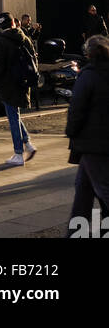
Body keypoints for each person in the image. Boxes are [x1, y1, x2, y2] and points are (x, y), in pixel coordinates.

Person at [65, 34, 109, 233]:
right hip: (98, 143)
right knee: (83, 192)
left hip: (92, 142)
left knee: (103, 190)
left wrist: (71, 131)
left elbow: (77, 109)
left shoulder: (89, 75)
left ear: (88, 54)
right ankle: (75, 233)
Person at [0, 12, 38, 166]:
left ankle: (18, 153)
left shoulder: (1, 42)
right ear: (13, 23)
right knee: (15, 114)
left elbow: (0, 66)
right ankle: (28, 144)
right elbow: (34, 58)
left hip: (8, 83)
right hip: (23, 82)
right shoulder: (25, 38)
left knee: (12, 116)